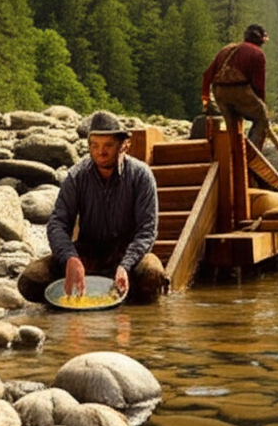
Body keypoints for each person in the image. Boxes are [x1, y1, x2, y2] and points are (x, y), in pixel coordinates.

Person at [17, 110, 166, 304]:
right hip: (86, 254)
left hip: (126, 254)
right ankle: (69, 303)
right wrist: (70, 258)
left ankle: (126, 306)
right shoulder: (76, 176)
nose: (100, 152)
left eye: (108, 146)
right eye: (94, 145)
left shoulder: (141, 176)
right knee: (30, 280)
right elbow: (58, 224)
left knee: (153, 274)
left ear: (124, 146)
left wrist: (126, 265)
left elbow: (147, 231)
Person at [201, 24, 270, 150]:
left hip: (219, 92)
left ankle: (232, 155)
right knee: (262, 119)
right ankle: (252, 155)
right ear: (260, 39)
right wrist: (261, 105)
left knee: (232, 127)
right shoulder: (257, 53)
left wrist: (206, 101)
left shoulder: (226, 49)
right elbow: (258, 86)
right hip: (240, 90)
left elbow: (207, 75)